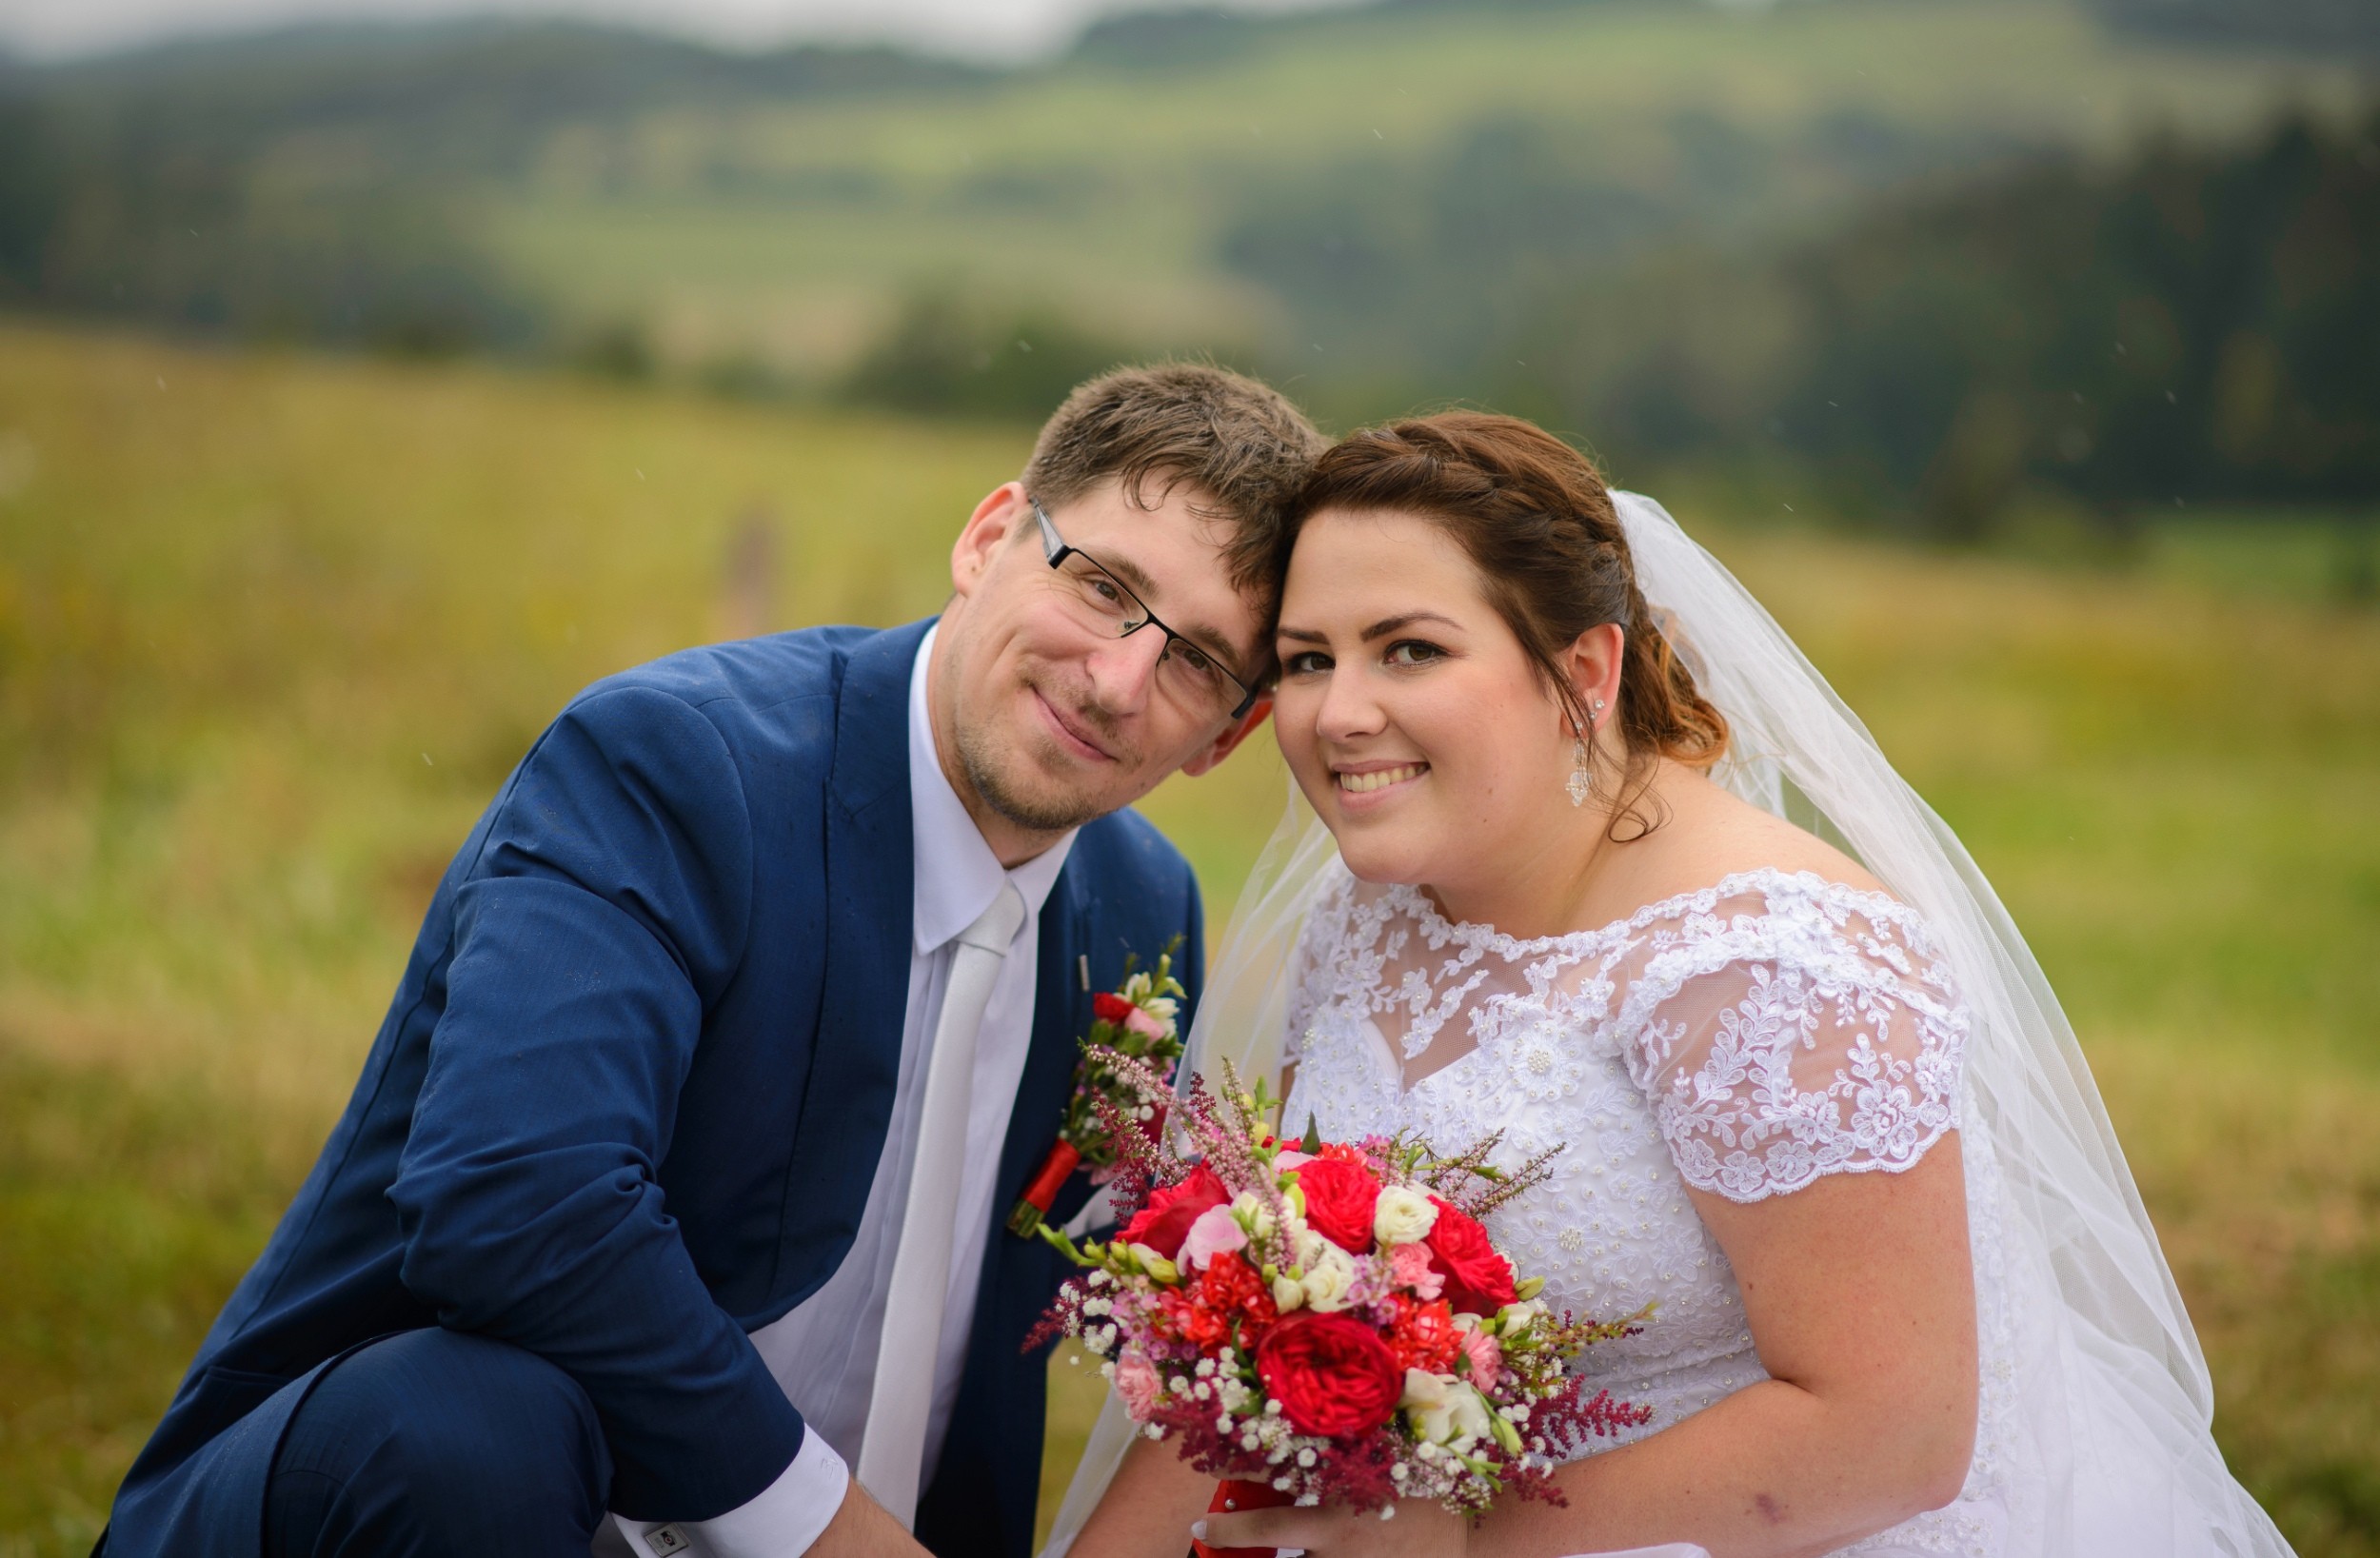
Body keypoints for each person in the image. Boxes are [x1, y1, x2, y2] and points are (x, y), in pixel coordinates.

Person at [95, 365, 1327, 1558]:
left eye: (1196, 660)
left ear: (1228, 736)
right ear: (987, 538)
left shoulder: (1143, 906)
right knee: (469, 1429)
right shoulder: (675, 764)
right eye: (1103, 586)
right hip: (422, 1506)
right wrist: (831, 1541)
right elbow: (513, 1201)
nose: (1117, 680)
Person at [1047, 413, 2293, 1558]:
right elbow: (1263, 1313)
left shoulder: (1774, 966)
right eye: (1308, 659)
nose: (1339, 712)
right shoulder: (1371, 908)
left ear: (1587, 670)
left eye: (1410, 649)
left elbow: (1894, 1435)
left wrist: (1463, 1543)